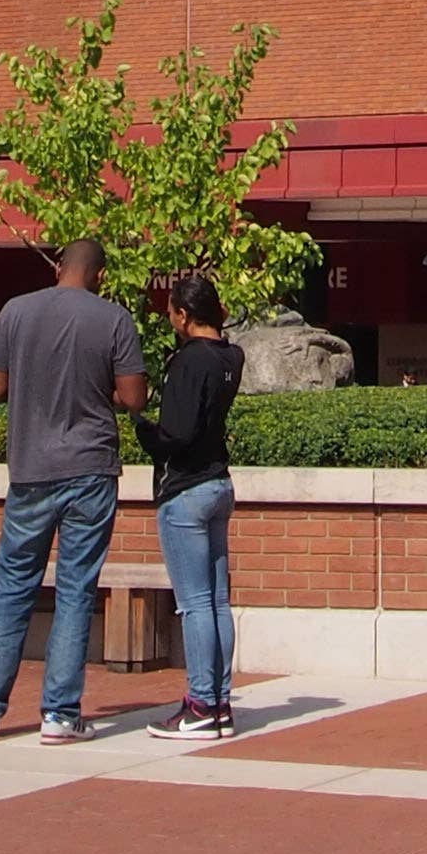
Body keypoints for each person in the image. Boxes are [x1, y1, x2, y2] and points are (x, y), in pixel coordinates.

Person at [0, 239, 142, 743]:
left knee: (12, 586)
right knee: (76, 591)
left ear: (59, 267)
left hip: (31, 469)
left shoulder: (15, 311)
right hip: (91, 469)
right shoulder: (114, 319)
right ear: (99, 274)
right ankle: (59, 714)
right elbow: (133, 397)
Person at [140, 275, 244, 741]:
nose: (170, 320)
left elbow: (175, 435)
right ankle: (219, 702)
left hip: (184, 490)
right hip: (219, 484)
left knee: (196, 604)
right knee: (218, 601)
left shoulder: (189, 361)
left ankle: (201, 704)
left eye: (171, 313)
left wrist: (141, 429)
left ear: (183, 314)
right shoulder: (230, 356)